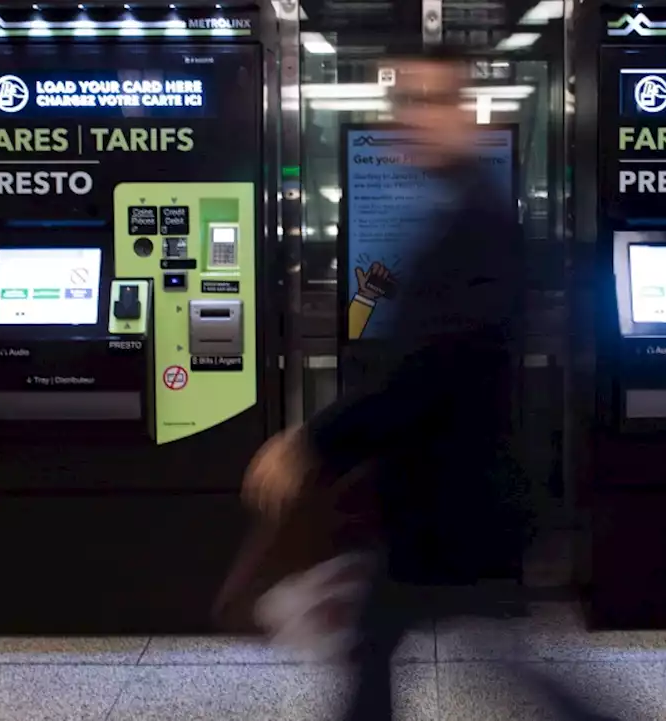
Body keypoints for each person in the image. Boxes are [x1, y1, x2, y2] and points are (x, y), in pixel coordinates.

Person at [244, 47, 619, 721]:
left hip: (460, 499)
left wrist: (312, 440)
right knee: (387, 646)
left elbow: (423, 367)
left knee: (471, 652)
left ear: (466, 113)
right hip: (435, 496)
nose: (413, 119)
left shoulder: (477, 221)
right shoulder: (459, 208)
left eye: (431, 101)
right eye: (404, 103)